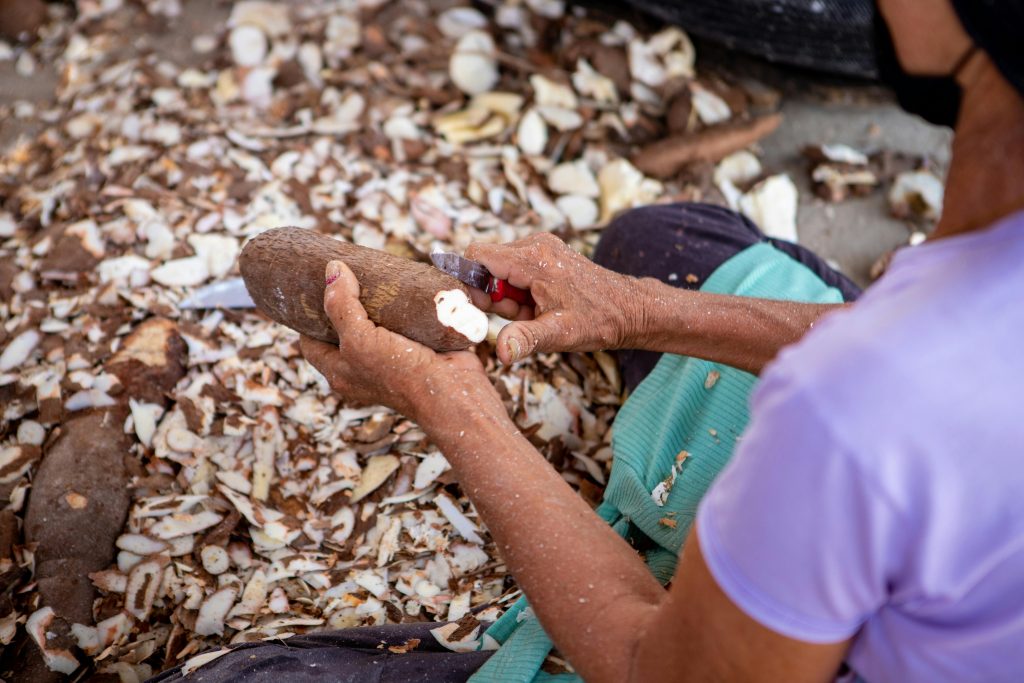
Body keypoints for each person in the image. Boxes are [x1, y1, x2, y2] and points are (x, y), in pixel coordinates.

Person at [152, 0, 1024, 680]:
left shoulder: (857, 409)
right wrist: (634, 306)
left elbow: (657, 672)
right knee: (664, 245)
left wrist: (453, 408)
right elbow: (905, 343)